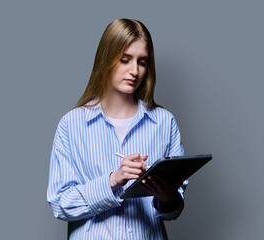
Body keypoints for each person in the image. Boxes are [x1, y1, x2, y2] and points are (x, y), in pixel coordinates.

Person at [47, 18, 188, 239]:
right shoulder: (71, 125)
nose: (134, 71)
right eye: (125, 60)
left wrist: (168, 197)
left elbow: (173, 210)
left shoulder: (164, 122)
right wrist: (113, 180)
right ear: (106, 59)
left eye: (142, 62)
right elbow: (60, 204)